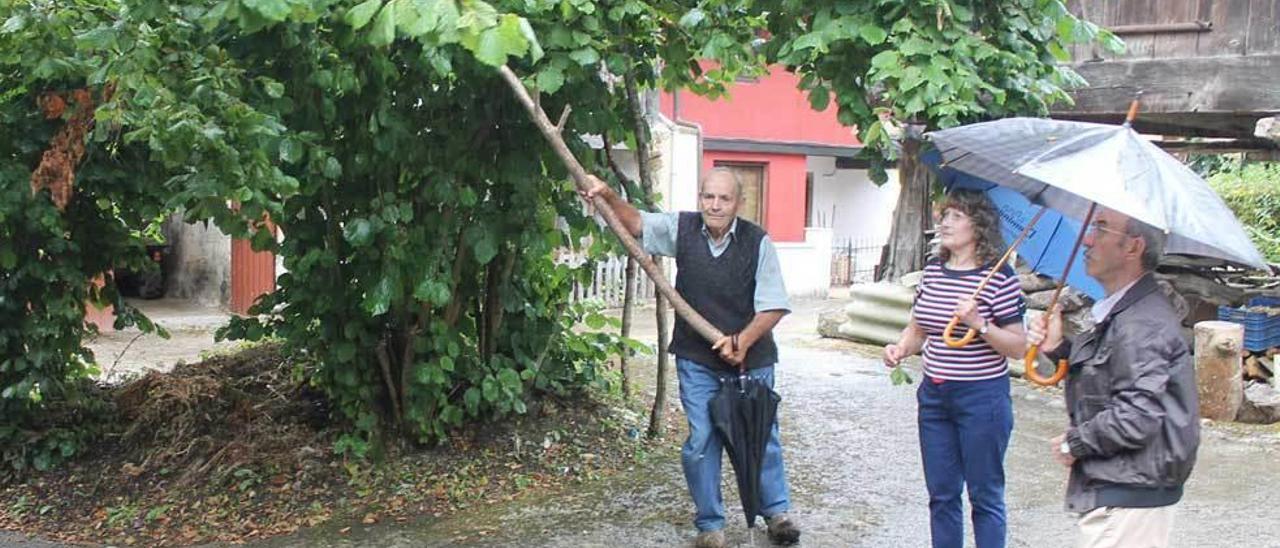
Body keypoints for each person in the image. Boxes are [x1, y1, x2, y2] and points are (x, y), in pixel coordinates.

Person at [583, 167, 800, 548]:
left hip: (752, 360)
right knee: (702, 440)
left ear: (739, 203)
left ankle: (777, 513)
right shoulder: (681, 228)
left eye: (724, 199)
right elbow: (635, 223)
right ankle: (711, 525)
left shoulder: (758, 242)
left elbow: (774, 305)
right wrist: (607, 196)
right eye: (708, 197)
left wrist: (742, 341)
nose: (714, 206)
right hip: (697, 358)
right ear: (700, 198)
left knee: (760, 435)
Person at [1027, 207, 1199, 548]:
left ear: (1133, 248)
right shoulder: (1126, 312)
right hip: (1125, 489)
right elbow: (1114, 371)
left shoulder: (1142, 323)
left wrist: (1072, 443)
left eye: (1101, 229)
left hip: (1130, 498)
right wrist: (1059, 348)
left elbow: (1135, 417)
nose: (1087, 239)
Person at [882, 189, 1027, 548]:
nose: (944, 223)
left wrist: (980, 323)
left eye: (956, 216)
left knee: (984, 495)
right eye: (944, 215)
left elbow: (1019, 347)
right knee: (942, 494)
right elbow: (918, 328)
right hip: (934, 396)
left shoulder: (1000, 279)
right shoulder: (933, 271)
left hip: (982, 399)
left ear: (978, 225)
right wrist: (901, 348)